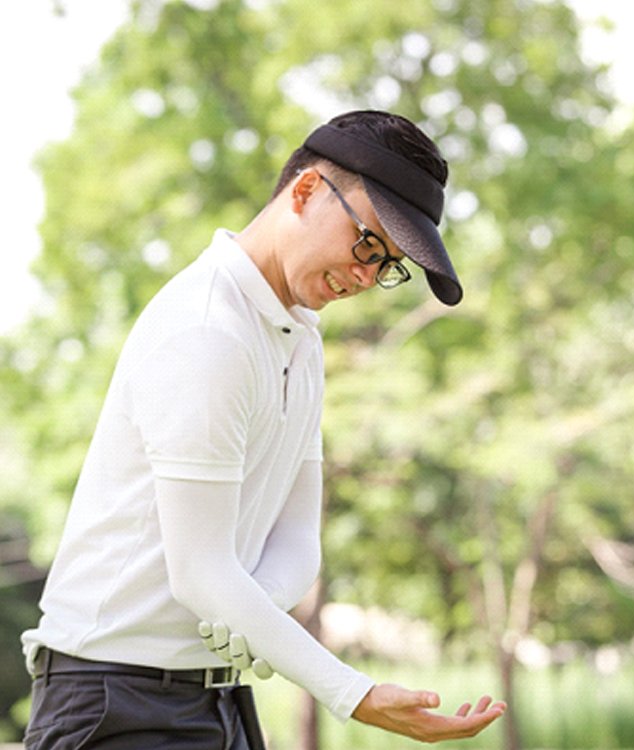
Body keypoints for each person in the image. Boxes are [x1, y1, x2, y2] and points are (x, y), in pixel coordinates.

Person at [21, 109, 506, 748]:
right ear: (305, 191)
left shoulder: (299, 341)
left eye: (388, 265)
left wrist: (251, 612)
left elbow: (299, 536)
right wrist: (352, 693)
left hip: (214, 697)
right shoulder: (207, 330)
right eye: (367, 242)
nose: (366, 277)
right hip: (115, 702)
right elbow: (199, 572)